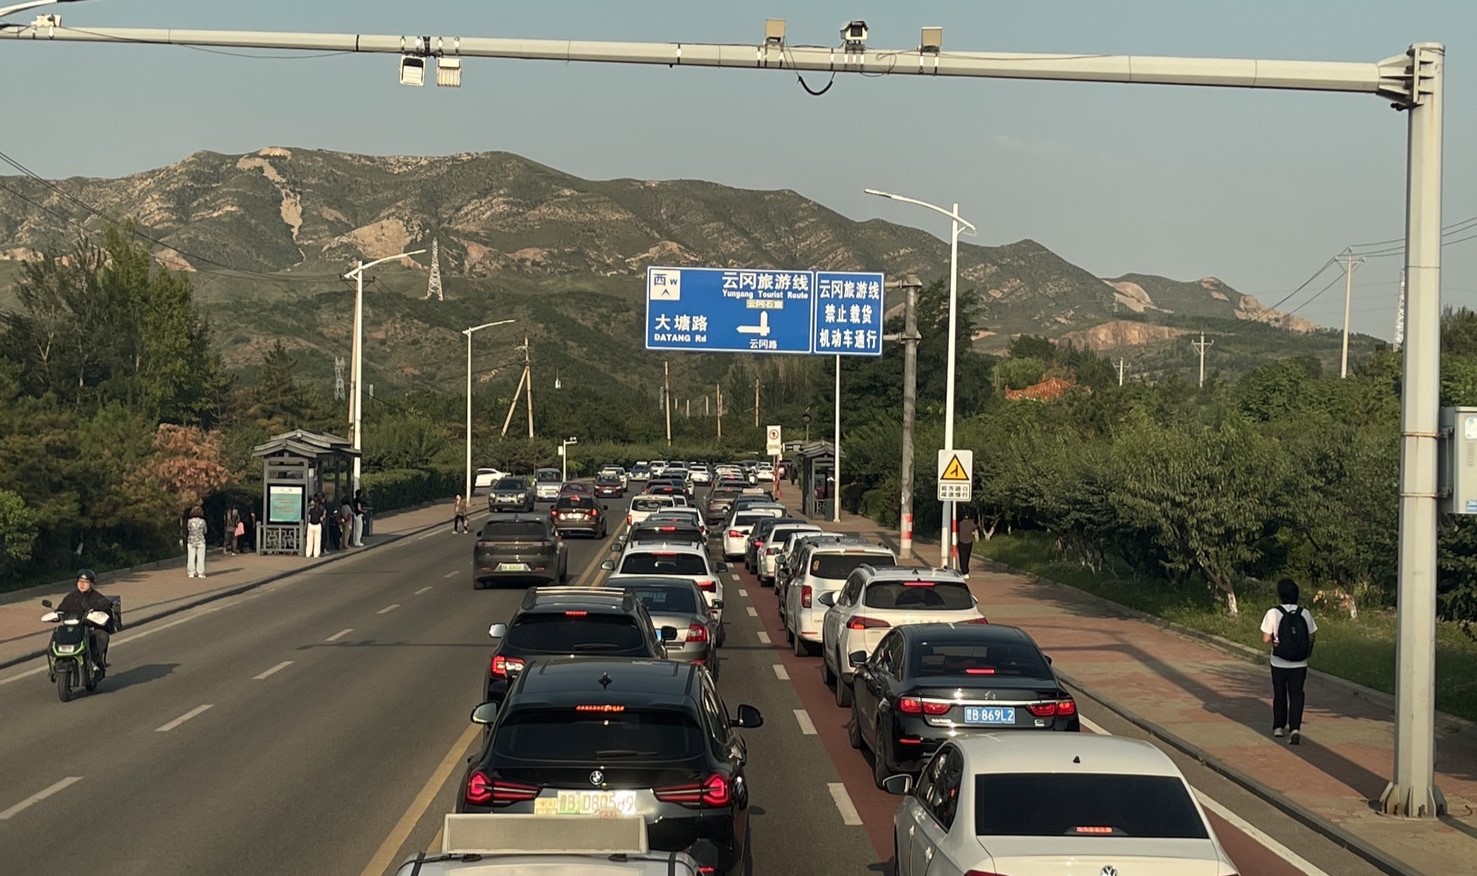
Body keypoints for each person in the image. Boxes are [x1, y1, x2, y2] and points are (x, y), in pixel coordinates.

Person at [1260, 578, 1318, 745]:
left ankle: (1278, 727)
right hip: (1300, 662)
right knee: (1297, 694)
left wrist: (1276, 640)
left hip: (1278, 660)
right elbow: (1312, 635)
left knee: (1280, 693)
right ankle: (1295, 728)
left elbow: (1265, 638)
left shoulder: (1273, 612)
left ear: (1280, 595)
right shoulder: (1304, 613)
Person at [54, 568, 114, 670]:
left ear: (91, 584)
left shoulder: (97, 597)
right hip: (73, 630)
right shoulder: (70, 597)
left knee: (102, 636)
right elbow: (61, 609)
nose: (82, 584)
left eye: (86, 582)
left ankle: (95, 660)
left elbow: (105, 607)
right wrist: (56, 615)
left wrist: (101, 610)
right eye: (80, 581)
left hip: (90, 630)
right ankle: (56, 662)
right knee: (56, 634)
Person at [186, 505, 208, 578]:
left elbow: (188, 530)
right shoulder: (203, 521)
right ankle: (200, 573)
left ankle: (191, 572)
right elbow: (205, 531)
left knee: (191, 557)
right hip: (201, 540)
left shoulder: (189, 521)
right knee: (201, 557)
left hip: (191, 540)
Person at [956, 508, 978, 576]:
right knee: (967, 557)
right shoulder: (971, 524)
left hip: (961, 542)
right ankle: (966, 571)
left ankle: (964, 571)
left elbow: (957, 532)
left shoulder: (960, 524)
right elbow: (976, 527)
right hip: (969, 542)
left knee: (962, 557)